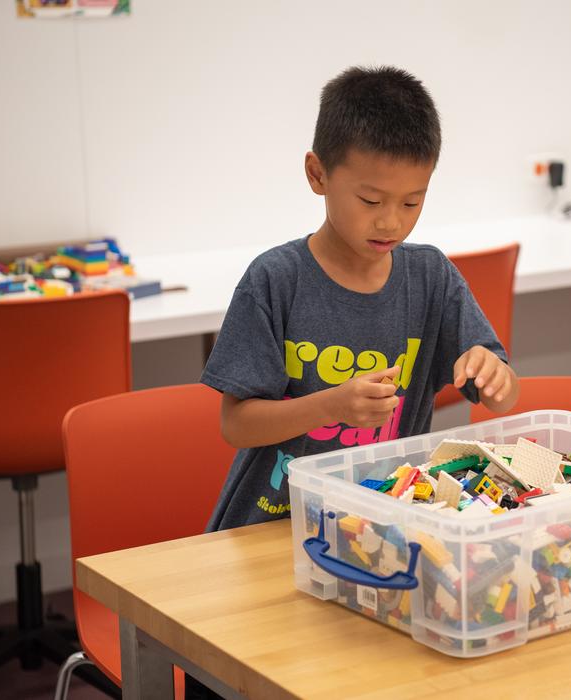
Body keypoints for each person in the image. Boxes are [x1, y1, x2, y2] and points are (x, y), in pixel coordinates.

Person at [200, 64, 519, 532]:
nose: (391, 222)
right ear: (317, 174)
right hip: (272, 526)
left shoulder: (431, 278)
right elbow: (236, 425)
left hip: (379, 526)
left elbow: (503, 396)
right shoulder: (276, 280)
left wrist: (497, 378)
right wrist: (329, 406)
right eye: (371, 201)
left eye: (412, 202)